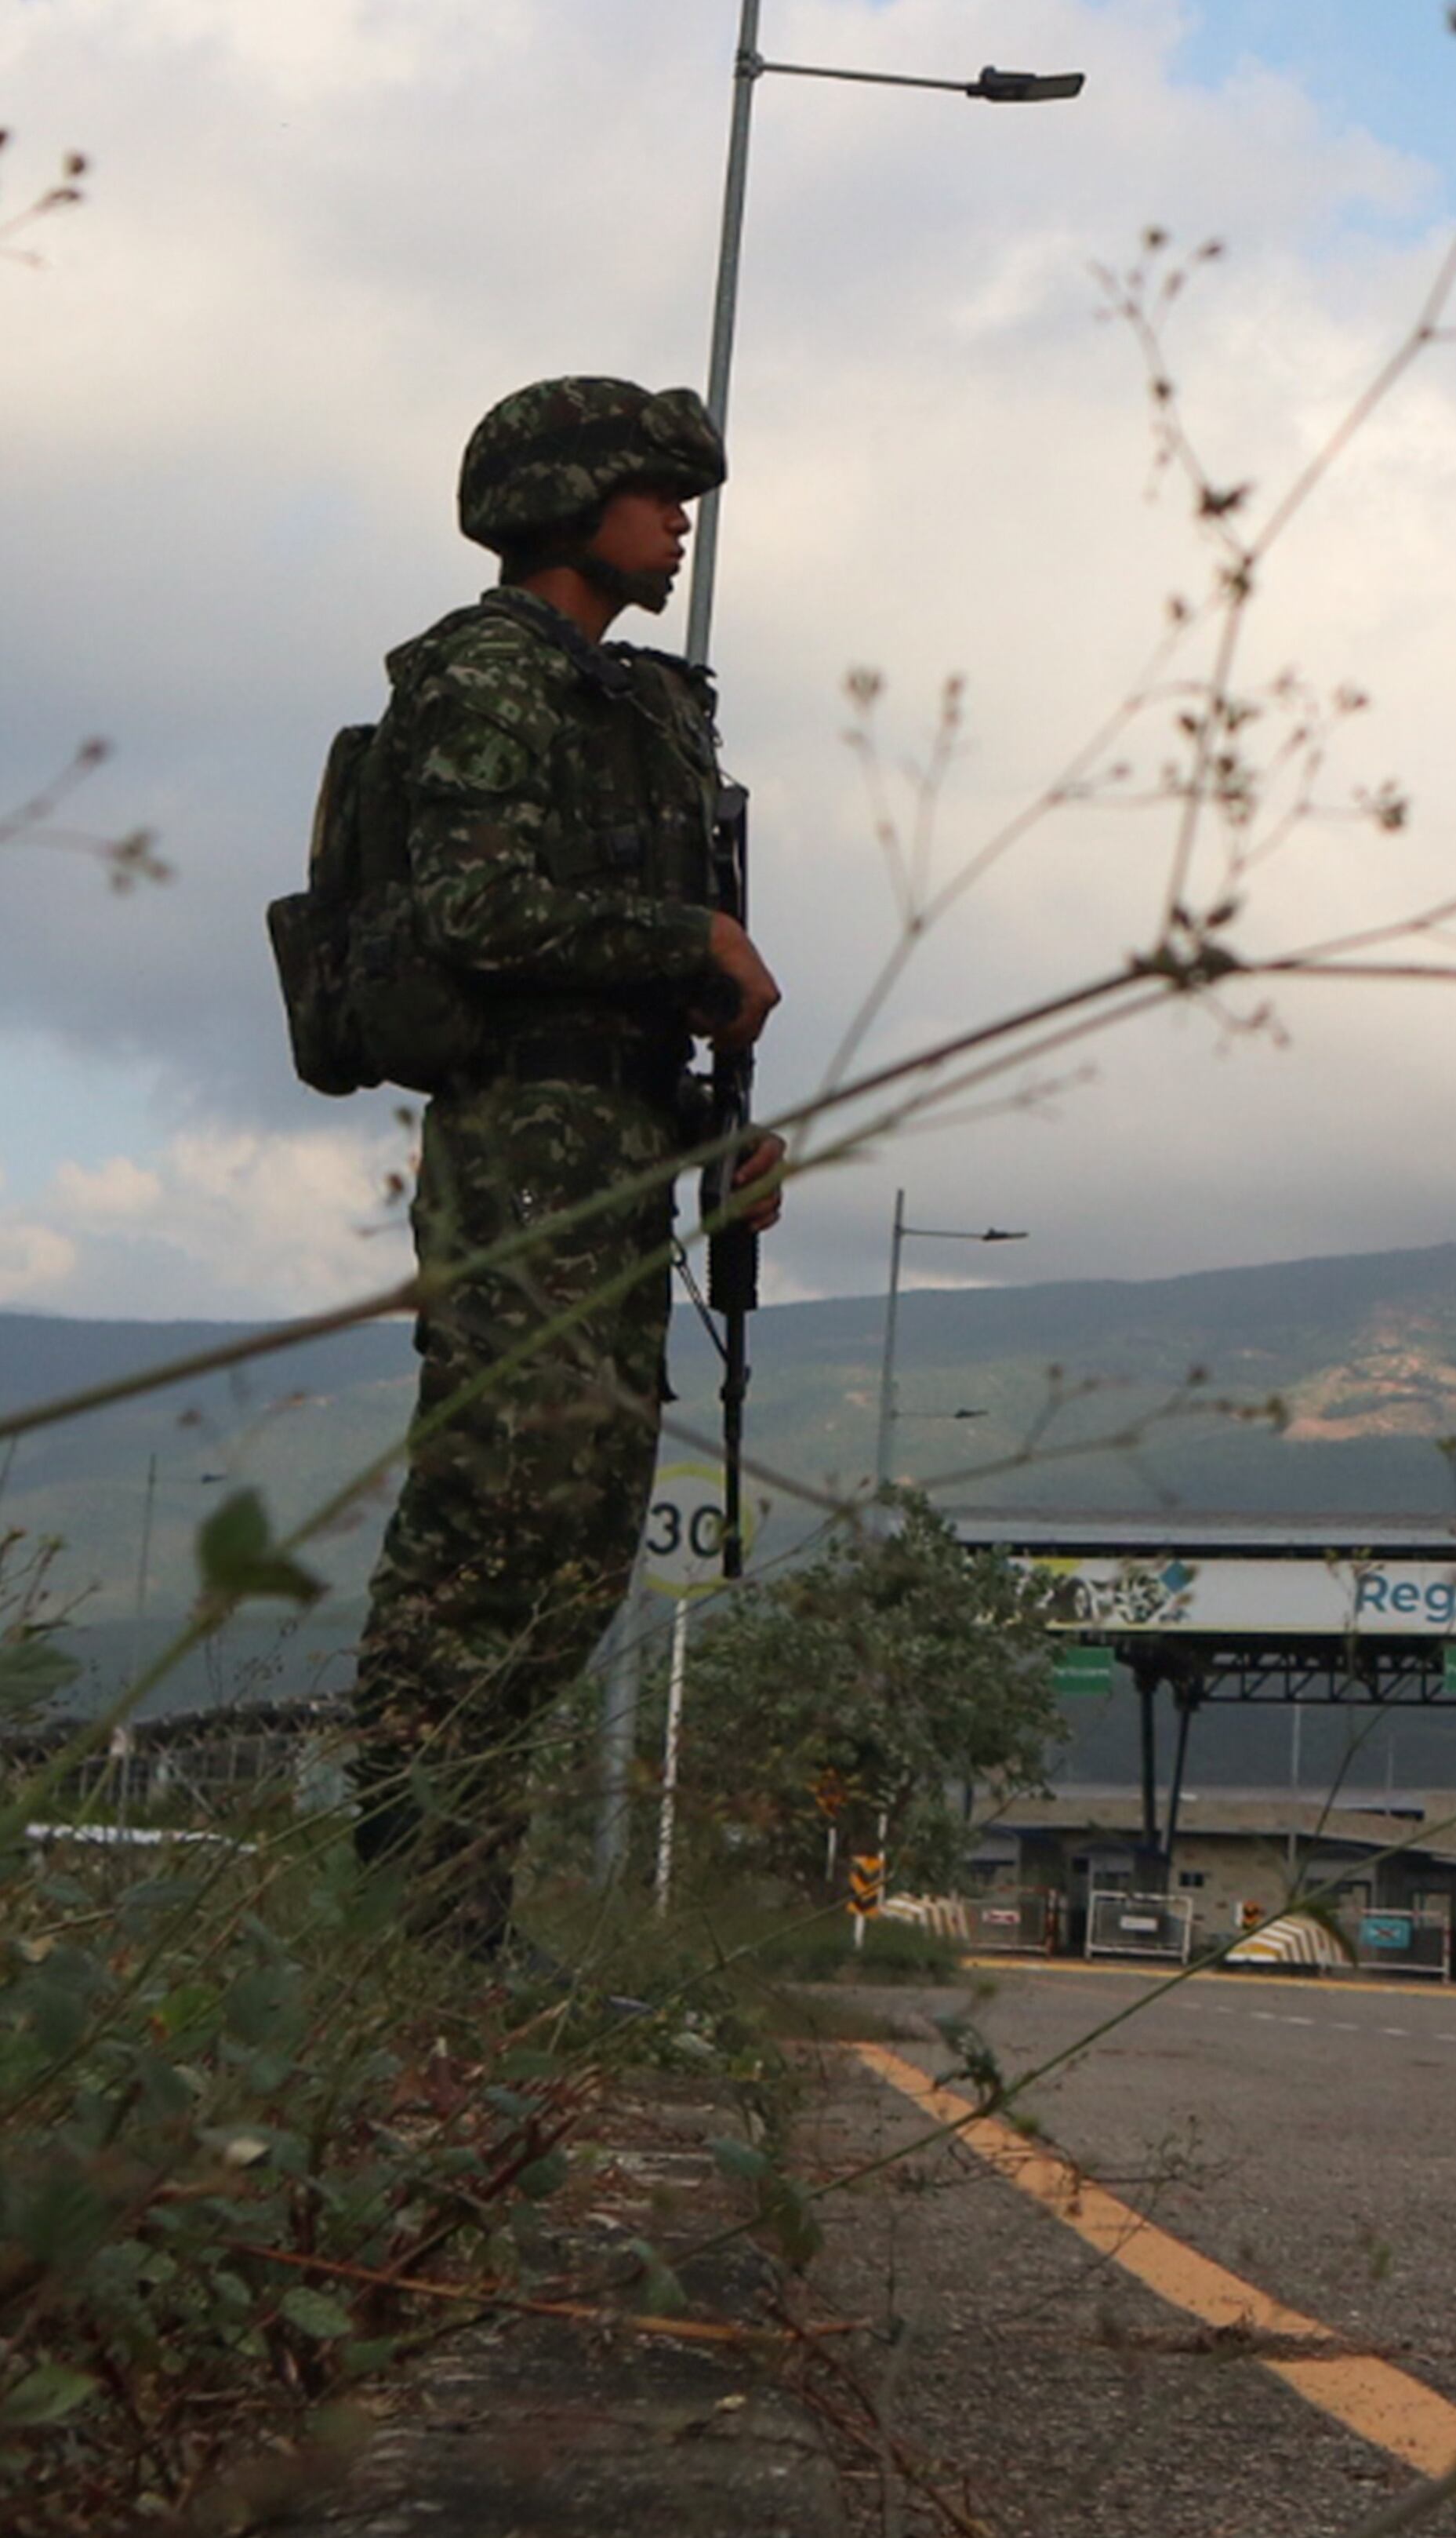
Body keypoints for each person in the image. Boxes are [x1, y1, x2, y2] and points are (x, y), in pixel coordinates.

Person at [347, 376, 787, 1963]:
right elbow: (476, 909)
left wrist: (713, 1132)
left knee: (578, 1537)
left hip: (610, 1148)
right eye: (654, 490)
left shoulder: (635, 701)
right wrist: (690, 937)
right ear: (571, 497)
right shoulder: (486, 674)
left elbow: (623, 984)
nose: (678, 521)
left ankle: (463, 1906)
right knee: (491, 1523)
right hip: (522, 1152)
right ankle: (404, 1919)